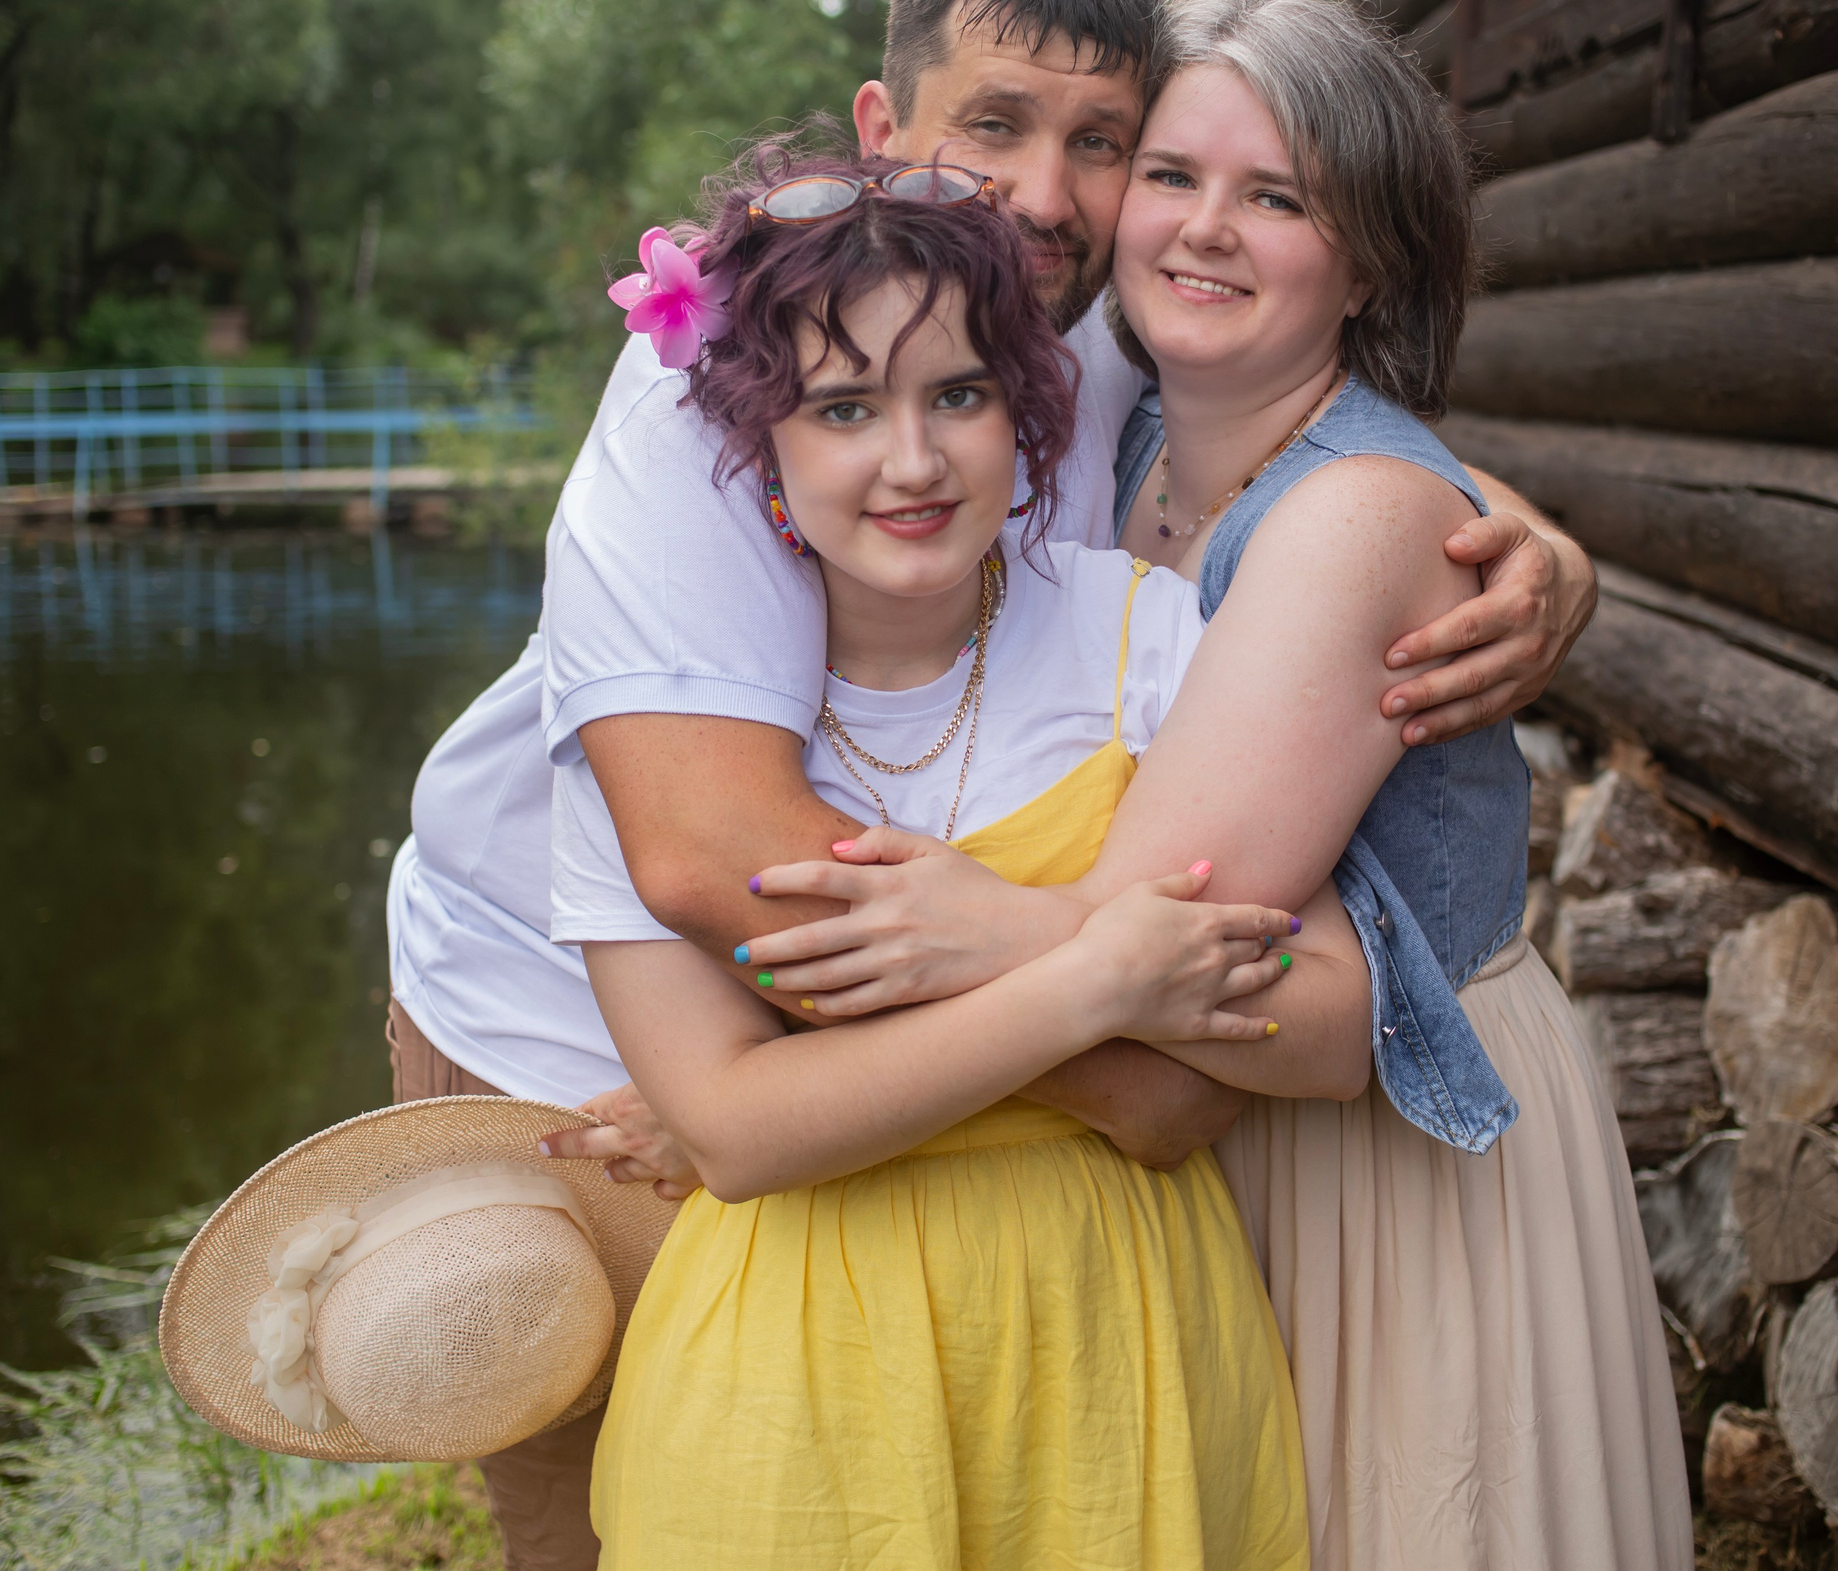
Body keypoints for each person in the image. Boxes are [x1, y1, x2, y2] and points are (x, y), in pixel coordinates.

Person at [385, 0, 1598, 1567]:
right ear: (884, 135)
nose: (1043, 195)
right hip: (564, 1016)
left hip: (895, 1089)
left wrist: (1527, 538)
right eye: (995, 125)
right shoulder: (704, 389)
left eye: (1103, 143)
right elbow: (710, 861)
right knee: (616, 1500)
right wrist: (1104, 1019)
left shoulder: (1086, 339)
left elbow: (1322, 438)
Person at [734, 0, 1695, 1568]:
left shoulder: (1358, 520)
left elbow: (1166, 925)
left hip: (1383, 1166)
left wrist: (962, 927)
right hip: (1191, 1123)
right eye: (1170, 175)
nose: (1199, 229)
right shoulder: (1108, 434)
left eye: (1277, 196)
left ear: (1369, 253)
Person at [559, 152, 1325, 1568]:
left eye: (957, 395)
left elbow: (1268, 1058)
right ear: (759, 447)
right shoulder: (650, 727)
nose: (911, 461)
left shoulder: (1149, 637)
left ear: (1025, 408)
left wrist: (950, 987)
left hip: (1115, 1347)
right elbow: (736, 1128)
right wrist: (1089, 978)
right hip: (794, 1391)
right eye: (843, 408)